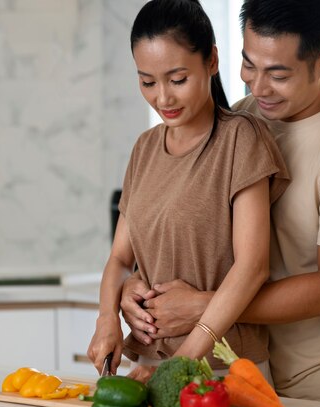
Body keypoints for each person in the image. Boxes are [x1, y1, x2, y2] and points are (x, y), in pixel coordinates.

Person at [120, 0, 320, 406]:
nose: (258, 86)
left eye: (278, 74)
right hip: (236, 370)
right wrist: (134, 287)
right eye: (250, 65)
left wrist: (200, 306)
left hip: (317, 385)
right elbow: (194, 230)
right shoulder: (242, 120)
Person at [86, 0, 289, 383]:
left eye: (177, 79)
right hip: (148, 364)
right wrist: (107, 318)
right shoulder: (145, 148)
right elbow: (119, 258)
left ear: (211, 61)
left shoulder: (240, 140)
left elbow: (252, 267)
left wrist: (183, 361)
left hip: (222, 368)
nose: (163, 98)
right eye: (147, 81)